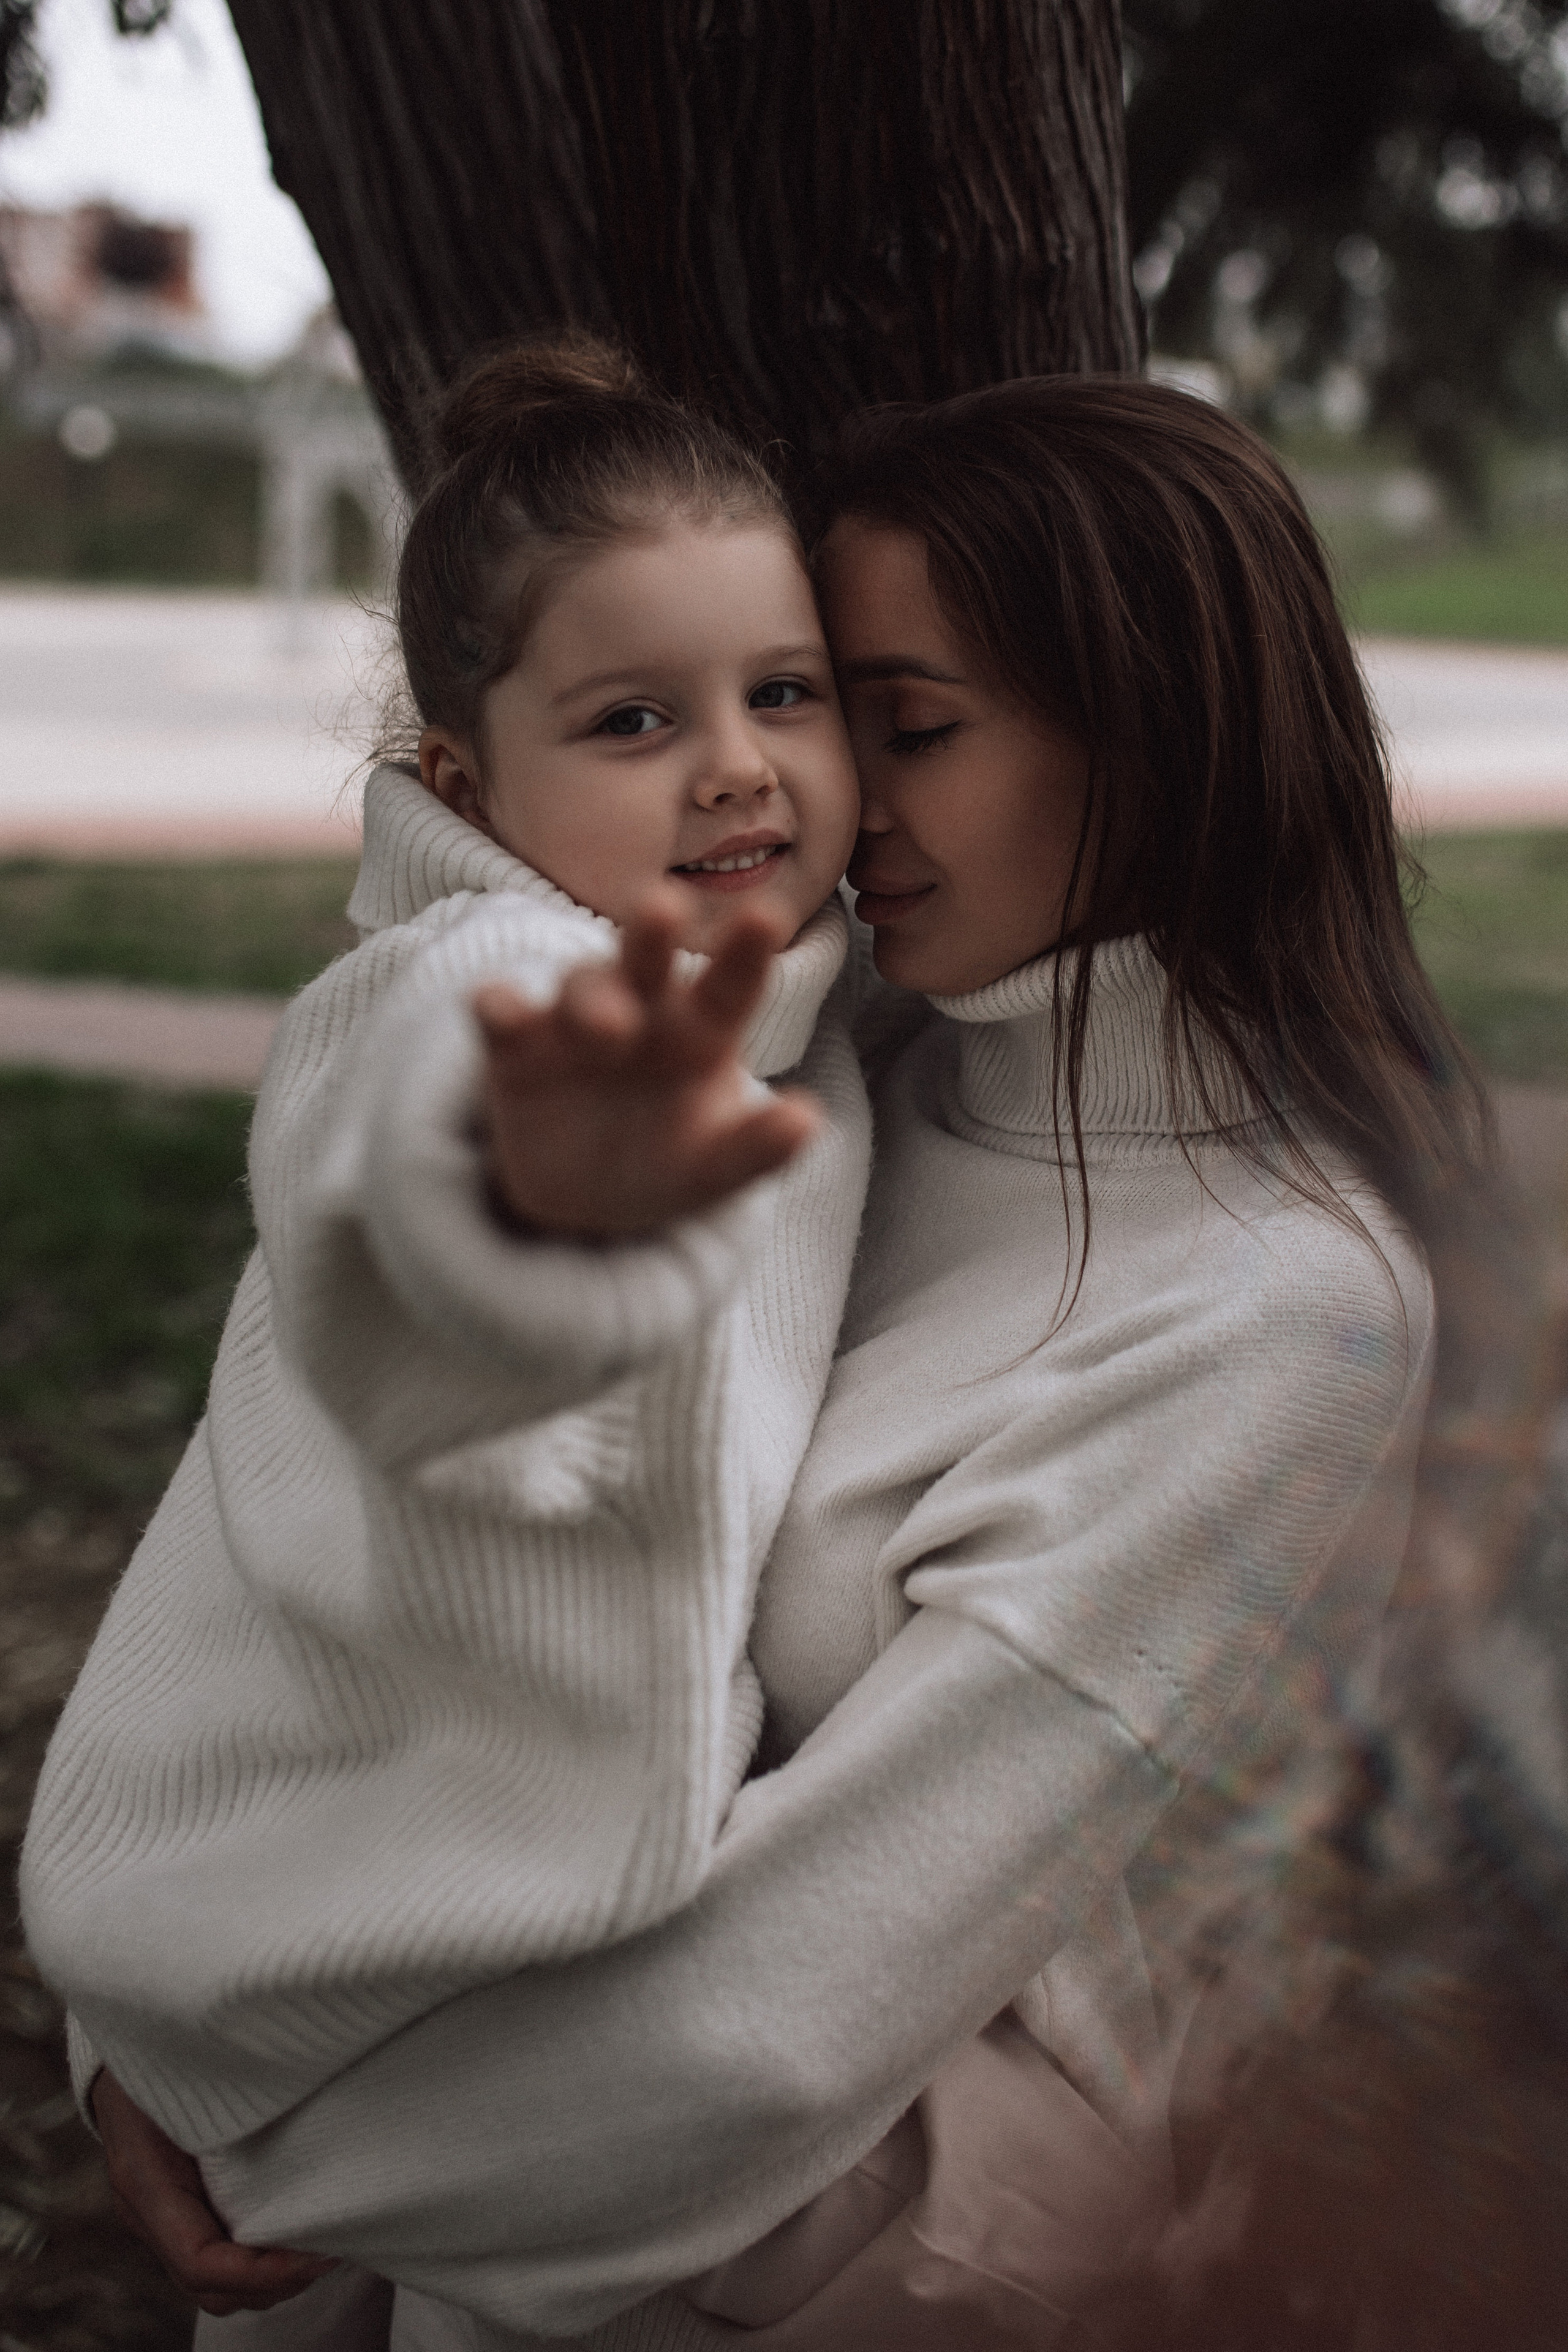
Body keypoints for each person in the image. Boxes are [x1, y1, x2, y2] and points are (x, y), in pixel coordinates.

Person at [59, 377, 1483, 2349]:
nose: (811, 794)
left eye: (896, 721)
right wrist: (156, 2020)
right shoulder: (838, 1073)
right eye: (831, 706)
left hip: (870, 2249)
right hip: (495, 2200)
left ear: (1152, 737)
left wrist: (266, 2144)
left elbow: (775, 2016)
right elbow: (308, 1529)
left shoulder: (1285, 1313)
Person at [20, 338, 871, 2334]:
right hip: (307, 1913)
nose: (736, 763)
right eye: (636, 717)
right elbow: (410, 1183)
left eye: (787, 692)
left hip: (510, 1971)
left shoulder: (811, 1025)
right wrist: (538, 1221)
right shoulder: (492, 977)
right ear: (465, 789)